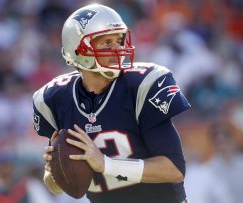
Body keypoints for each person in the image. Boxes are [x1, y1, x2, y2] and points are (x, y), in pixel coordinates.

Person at [33, 4, 190, 203]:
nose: (118, 49)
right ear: (78, 49)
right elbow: (59, 188)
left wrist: (106, 164)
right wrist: (54, 172)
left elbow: (174, 169)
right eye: (107, 42)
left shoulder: (142, 85)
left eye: (119, 40)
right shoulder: (54, 99)